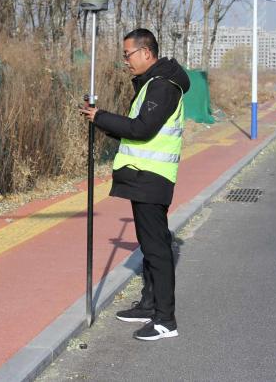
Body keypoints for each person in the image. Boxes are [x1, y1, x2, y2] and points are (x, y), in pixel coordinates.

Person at [79, 28, 190, 341]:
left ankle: (165, 321)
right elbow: (134, 130)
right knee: (149, 245)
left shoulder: (163, 87)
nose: (125, 61)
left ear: (146, 53)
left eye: (128, 54)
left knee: (156, 248)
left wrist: (101, 116)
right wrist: (98, 119)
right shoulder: (152, 85)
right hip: (143, 176)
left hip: (152, 178)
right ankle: (149, 304)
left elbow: (142, 129)